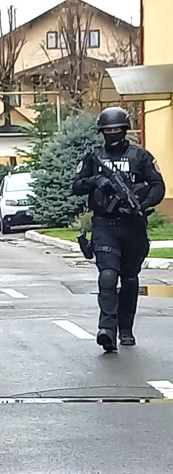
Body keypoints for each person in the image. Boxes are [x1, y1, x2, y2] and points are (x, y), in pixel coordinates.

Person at [72, 106, 165, 352]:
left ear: (125, 130)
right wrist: (97, 181)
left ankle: (126, 329)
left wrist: (141, 204)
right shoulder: (94, 156)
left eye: (117, 130)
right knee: (108, 276)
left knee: (130, 279)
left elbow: (158, 186)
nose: (112, 134)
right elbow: (77, 186)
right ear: (102, 132)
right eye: (108, 130)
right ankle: (107, 330)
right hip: (104, 224)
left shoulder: (140, 156)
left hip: (132, 226)